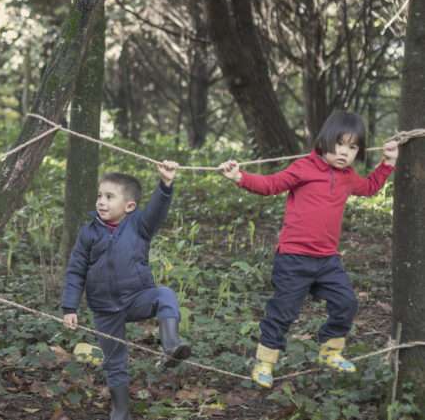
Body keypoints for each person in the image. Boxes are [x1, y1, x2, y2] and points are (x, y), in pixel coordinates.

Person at [218, 111, 398, 388]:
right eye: (340, 144)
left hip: (327, 260)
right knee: (283, 311)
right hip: (293, 258)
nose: (344, 153)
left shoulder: (348, 176)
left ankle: (330, 350)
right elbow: (271, 185)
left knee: (346, 302)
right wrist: (239, 176)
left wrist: (388, 163)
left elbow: (370, 187)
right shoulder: (304, 167)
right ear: (325, 141)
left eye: (352, 148)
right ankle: (265, 361)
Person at [61, 163, 190, 420]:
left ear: (129, 206)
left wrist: (165, 185)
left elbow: (157, 210)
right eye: (99, 196)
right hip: (104, 308)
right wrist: (69, 307)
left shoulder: (139, 226)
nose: (101, 202)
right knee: (114, 361)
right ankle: (120, 410)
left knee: (165, 294)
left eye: (110, 197)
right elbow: (76, 271)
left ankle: (171, 344)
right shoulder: (89, 233)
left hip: (135, 298)